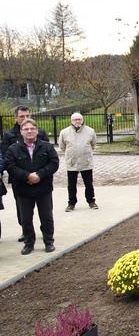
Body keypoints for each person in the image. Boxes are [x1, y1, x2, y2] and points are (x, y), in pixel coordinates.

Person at [5, 119, 60, 255]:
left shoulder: (47, 147)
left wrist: (39, 175)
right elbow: (11, 166)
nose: (29, 131)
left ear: (37, 130)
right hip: (23, 190)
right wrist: (27, 176)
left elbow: (54, 163)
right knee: (26, 219)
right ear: (21, 132)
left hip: (43, 189)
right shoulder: (13, 149)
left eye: (32, 129)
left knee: (46, 217)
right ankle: (29, 243)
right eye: (26, 129)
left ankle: (48, 241)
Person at [1, 106, 50, 243]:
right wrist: (26, 175)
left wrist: (38, 174)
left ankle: (45, 231)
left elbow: (48, 155)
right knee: (23, 210)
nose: (25, 119)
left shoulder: (39, 133)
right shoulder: (9, 135)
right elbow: (7, 158)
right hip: (20, 180)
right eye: (22, 116)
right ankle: (25, 231)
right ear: (16, 118)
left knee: (45, 211)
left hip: (41, 179)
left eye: (27, 115)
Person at [59, 113, 98, 212]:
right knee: (71, 184)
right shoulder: (64, 132)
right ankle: (71, 203)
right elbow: (62, 146)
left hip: (86, 162)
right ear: (71, 121)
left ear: (82, 120)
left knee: (88, 183)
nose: (77, 121)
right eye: (75, 119)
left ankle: (91, 201)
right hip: (72, 162)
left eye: (79, 119)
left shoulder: (90, 131)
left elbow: (93, 144)